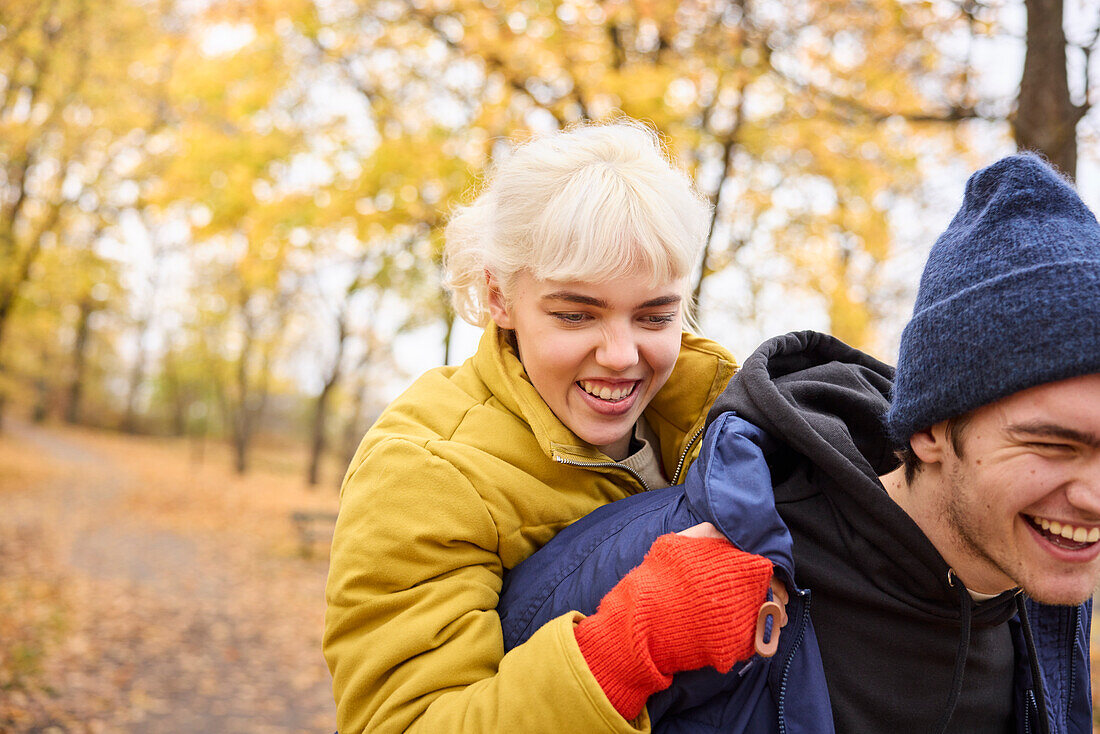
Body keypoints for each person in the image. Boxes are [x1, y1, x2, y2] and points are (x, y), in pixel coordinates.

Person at [497, 151, 1100, 733]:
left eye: (653, 317)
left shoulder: (1045, 579)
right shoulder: (659, 567)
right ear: (931, 428)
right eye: (1052, 445)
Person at [323, 119, 789, 734]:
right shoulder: (427, 467)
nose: (622, 354)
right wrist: (627, 646)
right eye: (576, 314)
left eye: (655, 316)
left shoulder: (721, 422)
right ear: (499, 296)